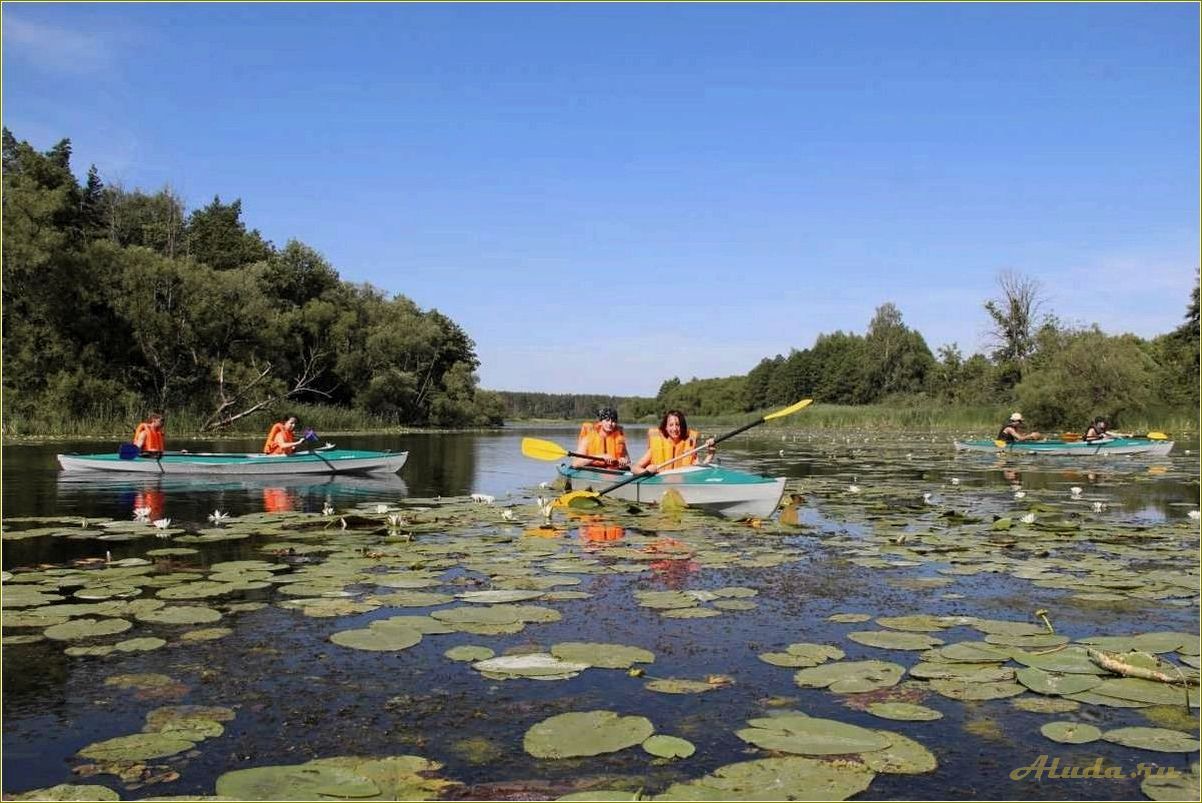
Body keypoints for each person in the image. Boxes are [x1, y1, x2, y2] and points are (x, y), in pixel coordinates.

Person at [633, 409, 715, 475]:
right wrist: (646, 472)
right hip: (660, 484)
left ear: (682, 426)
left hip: (681, 485)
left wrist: (710, 454)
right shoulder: (656, 447)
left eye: (678, 425)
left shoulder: (689, 446)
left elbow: (700, 470)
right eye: (671, 425)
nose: (675, 429)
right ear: (666, 427)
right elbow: (634, 468)